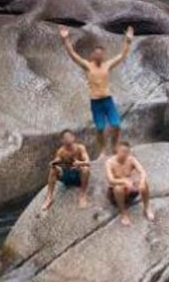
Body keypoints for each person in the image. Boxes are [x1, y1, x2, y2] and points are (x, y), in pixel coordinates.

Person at [58, 24, 135, 156]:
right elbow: (72, 54)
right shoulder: (88, 66)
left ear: (104, 56)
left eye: (101, 54)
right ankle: (102, 150)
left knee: (116, 125)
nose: (99, 56)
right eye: (97, 53)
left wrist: (128, 40)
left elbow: (122, 55)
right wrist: (66, 39)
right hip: (96, 102)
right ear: (93, 55)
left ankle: (115, 145)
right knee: (100, 128)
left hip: (107, 100)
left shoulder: (107, 65)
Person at [105, 141, 154, 225]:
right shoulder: (110, 162)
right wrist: (124, 181)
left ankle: (147, 208)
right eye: (122, 151)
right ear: (117, 150)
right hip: (115, 194)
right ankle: (123, 214)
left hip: (130, 190)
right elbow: (111, 179)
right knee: (118, 187)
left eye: (127, 152)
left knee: (144, 184)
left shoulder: (131, 159)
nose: (124, 154)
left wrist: (141, 182)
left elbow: (142, 172)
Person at [42, 129, 91, 211]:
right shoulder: (61, 151)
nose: (68, 139)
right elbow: (58, 159)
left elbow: (88, 162)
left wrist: (80, 163)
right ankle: (49, 197)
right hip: (67, 175)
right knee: (53, 169)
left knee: (85, 169)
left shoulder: (80, 148)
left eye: (69, 137)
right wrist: (54, 163)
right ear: (62, 140)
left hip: (78, 175)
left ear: (73, 137)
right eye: (65, 138)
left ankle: (82, 195)